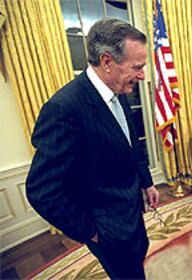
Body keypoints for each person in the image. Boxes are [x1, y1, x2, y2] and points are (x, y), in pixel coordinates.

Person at [25, 18, 159, 279]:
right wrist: (90, 231)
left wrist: (147, 182)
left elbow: (130, 144)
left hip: (131, 214)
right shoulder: (64, 109)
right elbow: (42, 190)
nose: (143, 75)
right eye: (137, 67)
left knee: (137, 259)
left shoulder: (119, 91)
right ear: (107, 61)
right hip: (107, 228)